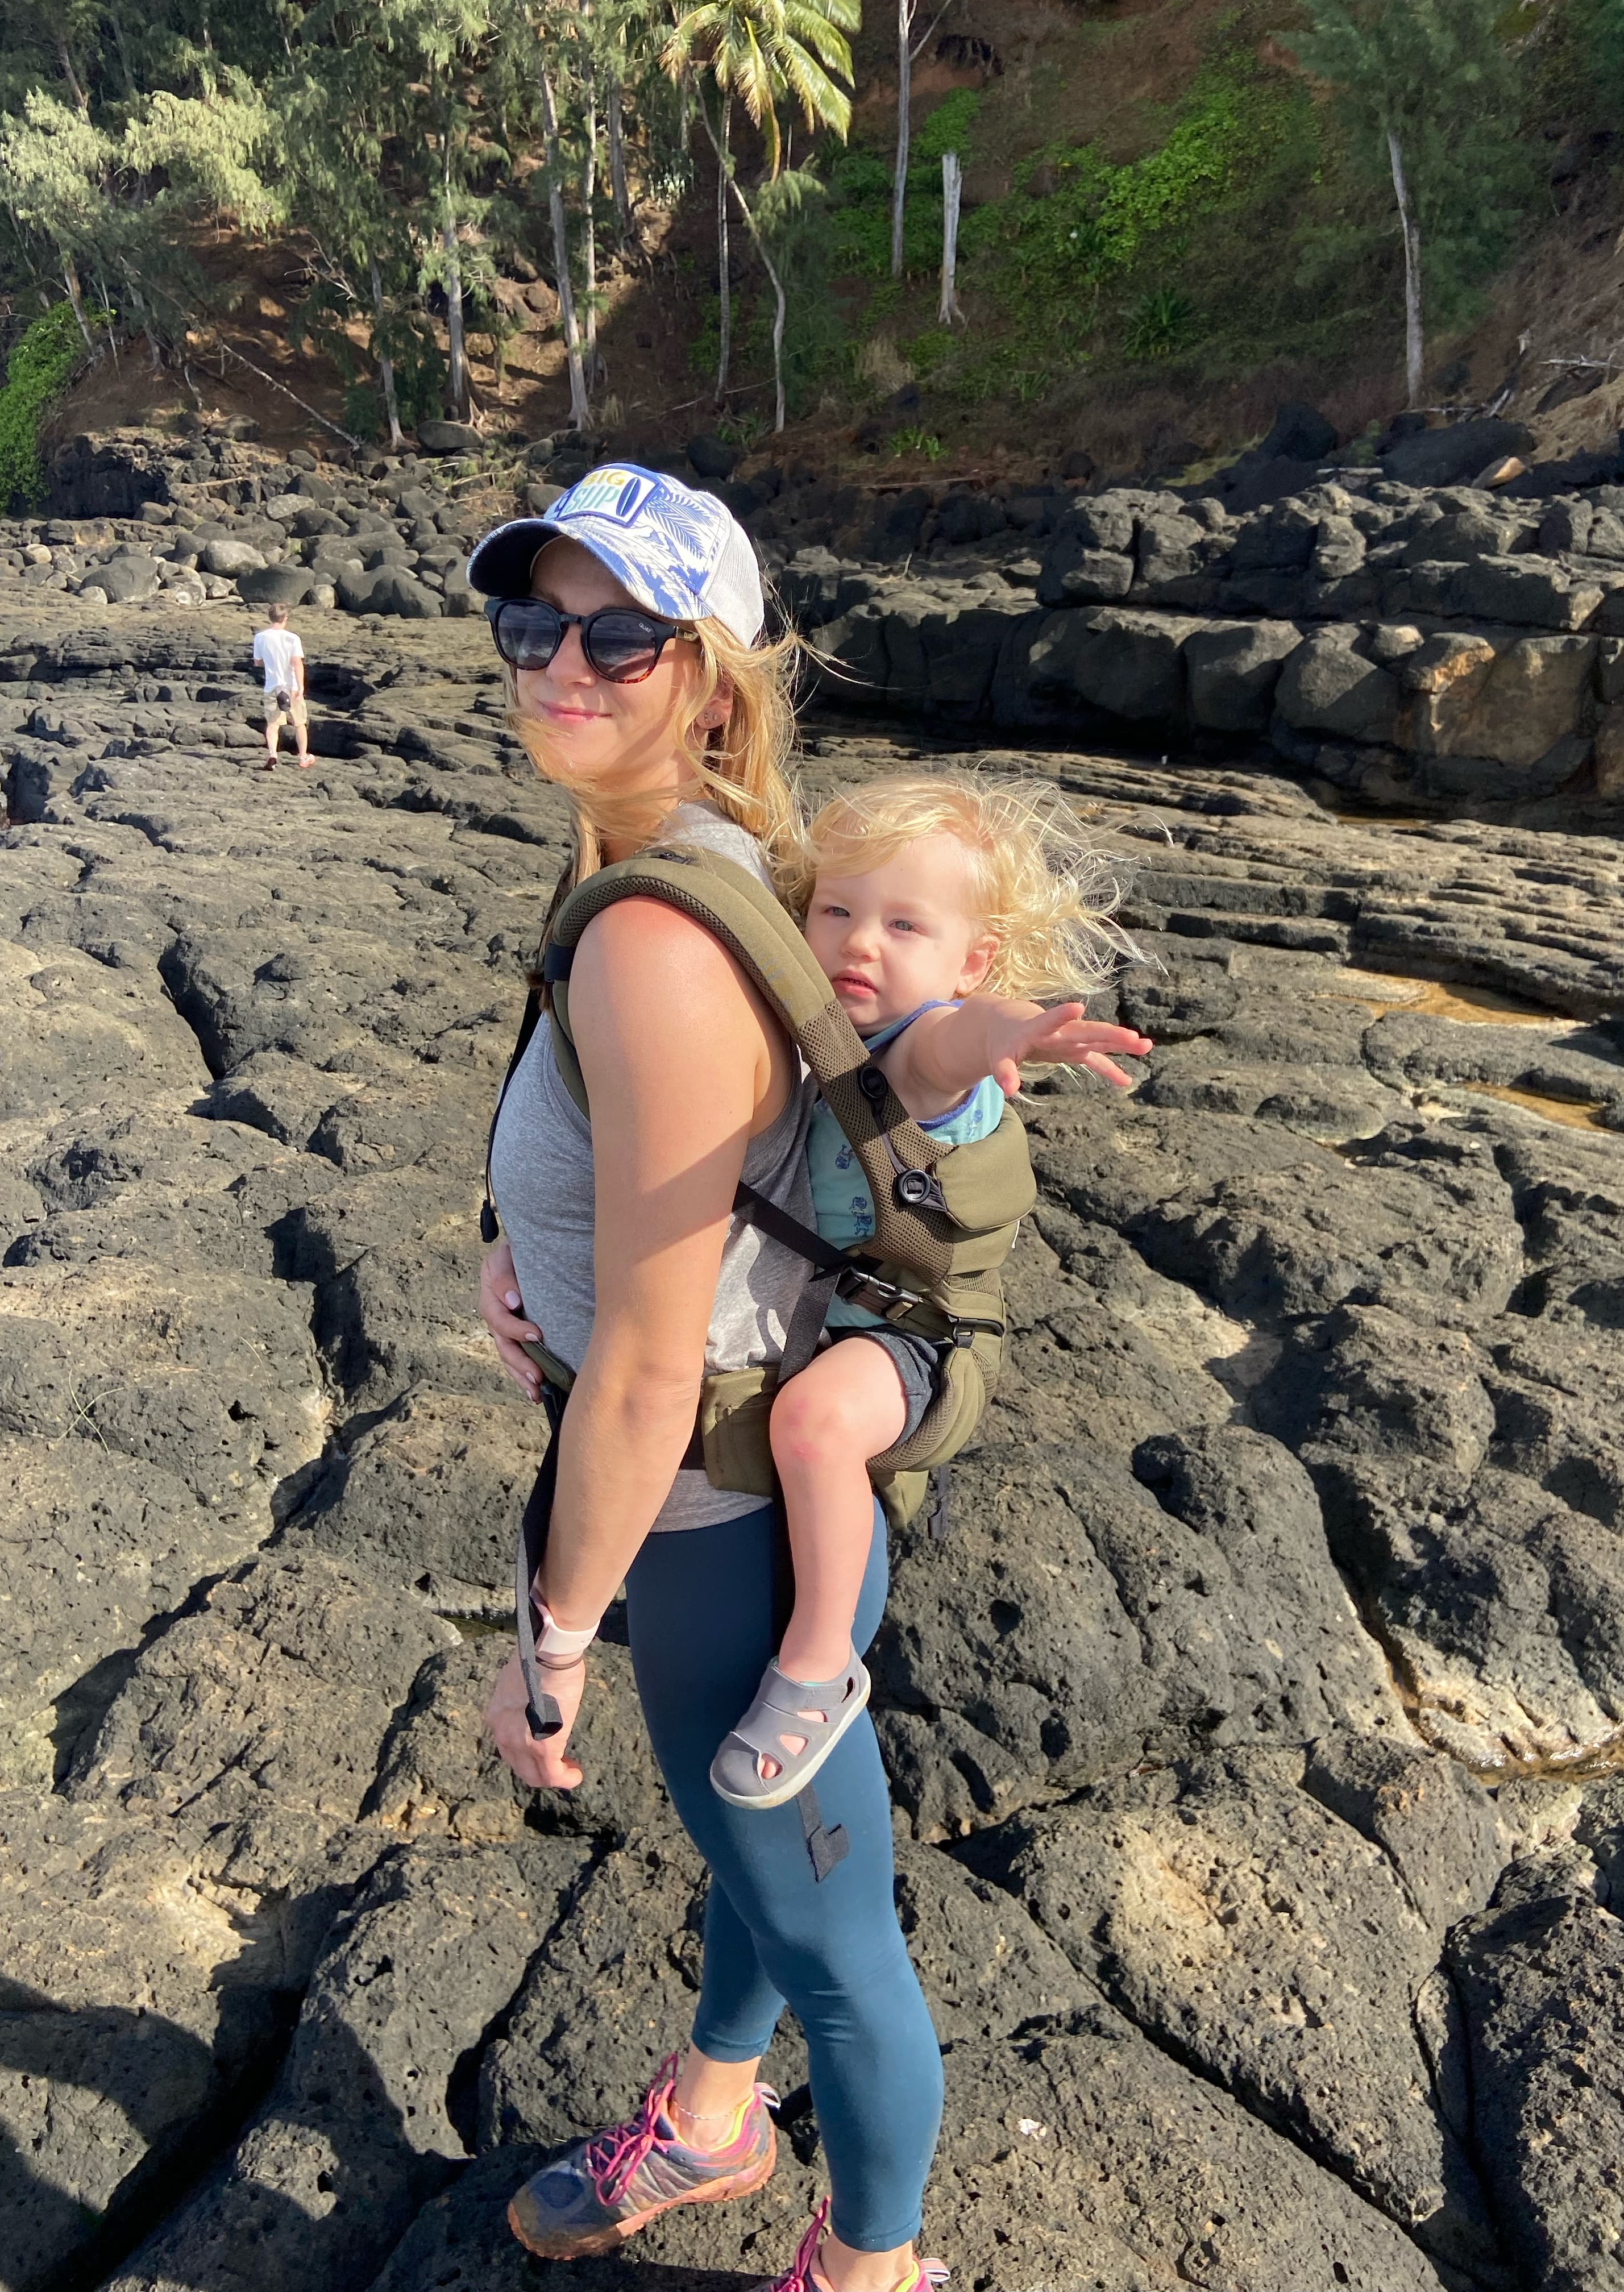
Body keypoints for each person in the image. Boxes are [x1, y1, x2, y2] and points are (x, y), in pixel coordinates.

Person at [471, 462, 949, 2292]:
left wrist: (555, 1634)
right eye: (535, 622)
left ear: (716, 679)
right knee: (771, 1890)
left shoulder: (661, 938)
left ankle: (873, 2266)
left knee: (838, 1945)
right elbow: (647, 1190)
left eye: (618, 634)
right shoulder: (672, 867)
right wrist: (518, 1253)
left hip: (710, 1534)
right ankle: (719, 2114)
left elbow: (657, 1366)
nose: (562, 666)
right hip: (752, 1498)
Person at [709, 775, 1153, 1813]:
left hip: (898, 1342)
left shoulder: (914, 1053)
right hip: (817, 1321)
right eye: (835, 911)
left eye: (904, 924)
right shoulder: (808, 1027)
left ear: (969, 959)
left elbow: (950, 1043)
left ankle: (816, 1665)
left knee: (816, 1425)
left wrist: (1006, 1033)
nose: (859, 943)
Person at [251, 601, 310, 768]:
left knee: (272, 724)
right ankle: (303, 757)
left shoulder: (260, 637)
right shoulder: (292, 638)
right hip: (291, 685)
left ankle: (272, 754)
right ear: (285, 618)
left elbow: (258, 663)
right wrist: (301, 686)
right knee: (299, 723)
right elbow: (297, 663)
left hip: (272, 687)